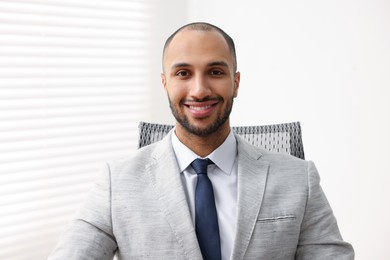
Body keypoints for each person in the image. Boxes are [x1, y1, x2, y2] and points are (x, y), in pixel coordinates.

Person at [49, 22, 354, 259]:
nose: (199, 90)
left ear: (235, 82)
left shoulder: (299, 178)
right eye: (183, 73)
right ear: (165, 83)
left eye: (215, 71)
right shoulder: (117, 183)